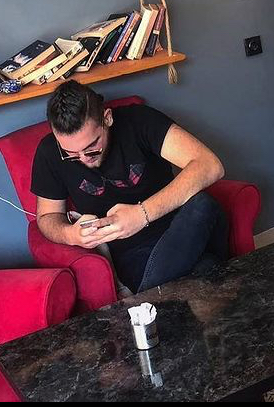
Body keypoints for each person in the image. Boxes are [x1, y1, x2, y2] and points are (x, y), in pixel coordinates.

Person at [31, 81, 228, 294]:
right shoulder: (49, 152)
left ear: (107, 118)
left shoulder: (138, 120)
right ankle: (157, 296)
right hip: (134, 255)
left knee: (202, 204)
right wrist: (71, 234)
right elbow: (47, 217)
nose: (84, 159)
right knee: (206, 271)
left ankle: (146, 303)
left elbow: (210, 165)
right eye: (70, 153)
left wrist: (142, 214)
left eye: (92, 147)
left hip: (183, 227)